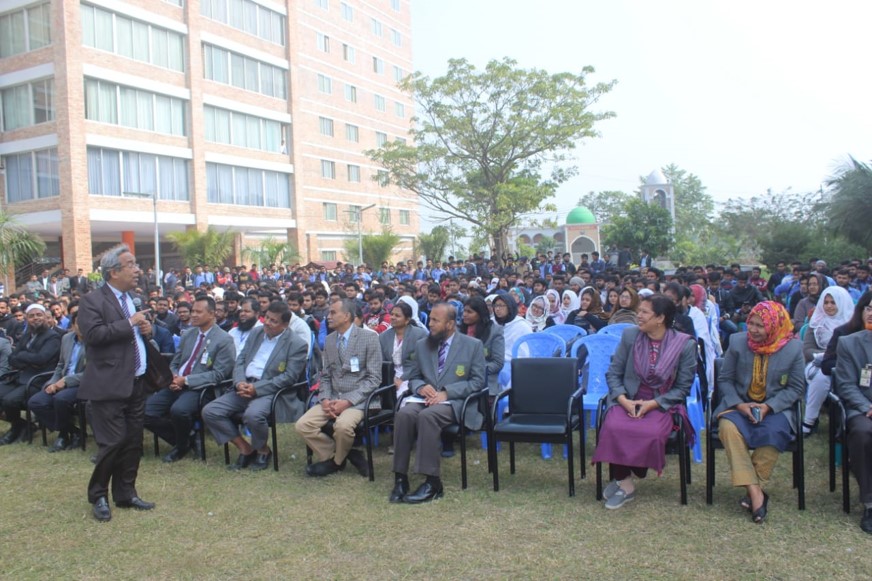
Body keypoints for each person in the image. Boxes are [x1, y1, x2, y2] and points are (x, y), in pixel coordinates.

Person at [77, 246, 167, 522]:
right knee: (112, 441)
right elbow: (93, 335)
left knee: (132, 442)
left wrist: (146, 330)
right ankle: (98, 495)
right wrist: (129, 323)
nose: (137, 270)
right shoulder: (92, 300)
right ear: (113, 272)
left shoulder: (133, 299)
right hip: (108, 384)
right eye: (131, 265)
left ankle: (126, 493)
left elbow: (135, 336)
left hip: (136, 382)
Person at [591, 294, 697, 509]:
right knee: (613, 426)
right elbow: (614, 373)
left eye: (644, 312)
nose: (638, 315)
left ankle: (628, 474)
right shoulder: (630, 336)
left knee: (650, 432)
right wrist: (623, 400)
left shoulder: (684, 345)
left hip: (660, 403)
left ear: (660, 318)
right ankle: (625, 482)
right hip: (628, 398)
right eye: (639, 311)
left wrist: (651, 405)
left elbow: (682, 388)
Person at [713, 301, 805, 524]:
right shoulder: (737, 341)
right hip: (739, 405)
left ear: (774, 326)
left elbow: (796, 388)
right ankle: (756, 493)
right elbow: (725, 379)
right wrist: (739, 405)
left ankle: (753, 491)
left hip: (775, 408)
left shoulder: (793, 348)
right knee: (728, 428)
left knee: (773, 434)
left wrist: (768, 407)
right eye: (751, 323)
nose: (752, 330)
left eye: (760, 326)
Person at [390, 303, 486, 503]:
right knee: (404, 414)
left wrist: (447, 393)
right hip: (425, 398)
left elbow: (478, 382)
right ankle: (400, 477)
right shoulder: (423, 345)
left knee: (428, 416)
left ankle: (433, 483)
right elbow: (413, 376)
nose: (430, 324)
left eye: (435, 320)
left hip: (455, 402)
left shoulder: (472, 345)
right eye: (430, 319)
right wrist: (420, 387)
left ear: (450, 324)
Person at [202, 301, 308, 472]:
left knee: (253, 415)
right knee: (210, 411)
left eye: (274, 321)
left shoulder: (296, 343)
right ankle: (245, 448)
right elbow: (241, 360)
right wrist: (239, 382)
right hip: (244, 385)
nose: (268, 323)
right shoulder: (257, 332)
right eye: (267, 318)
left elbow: (289, 377)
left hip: (270, 391)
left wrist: (257, 388)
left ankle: (263, 450)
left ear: (285, 325)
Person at [295, 298, 382, 477]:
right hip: (333, 398)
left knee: (342, 427)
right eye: (329, 313)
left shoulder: (369, 338)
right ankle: (340, 454)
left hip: (360, 400)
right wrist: (325, 399)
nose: (328, 316)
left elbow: (374, 378)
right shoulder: (329, 340)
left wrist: (348, 401)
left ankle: (335, 463)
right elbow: (326, 376)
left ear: (347, 316)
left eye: (333, 312)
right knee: (303, 425)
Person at [145, 296, 236, 463]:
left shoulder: (224, 339)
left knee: (179, 410)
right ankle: (187, 439)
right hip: (175, 383)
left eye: (198, 312)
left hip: (201, 388)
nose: (193, 315)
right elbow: (176, 361)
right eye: (192, 311)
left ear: (212, 314)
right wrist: (173, 376)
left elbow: (219, 374)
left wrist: (186, 380)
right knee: (145, 412)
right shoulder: (189, 334)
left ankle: (180, 447)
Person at [833, 301, 872, 533]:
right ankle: (870, 504)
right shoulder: (849, 343)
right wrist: (867, 406)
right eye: (869, 308)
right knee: (863, 432)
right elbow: (846, 385)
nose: (871, 313)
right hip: (863, 408)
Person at [0, 304, 62, 445]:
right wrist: (28, 359)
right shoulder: (27, 335)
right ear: (27, 319)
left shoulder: (52, 337)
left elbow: (41, 359)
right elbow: (12, 358)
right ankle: (21, 425)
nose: (36, 318)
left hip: (39, 380)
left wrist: (23, 356)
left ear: (45, 317)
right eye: (31, 316)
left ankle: (18, 428)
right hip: (21, 376)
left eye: (39, 315)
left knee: (10, 400)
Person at [26, 311, 86, 452]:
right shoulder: (67, 338)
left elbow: (93, 372)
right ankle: (72, 431)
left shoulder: (95, 342)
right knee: (36, 402)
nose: (83, 326)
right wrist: (52, 382)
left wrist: (66, 381)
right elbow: (60, 365)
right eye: (79, 323)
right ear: (73, 325)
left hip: (82, 383)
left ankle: (63, 435)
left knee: (60, 399)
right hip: (61, 381)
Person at [801, 286, 854, 436]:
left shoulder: (853, 324)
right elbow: (807, 350)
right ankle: (809, 421)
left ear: (842, 303)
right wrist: (825, 355)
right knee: (823, 376)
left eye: (833, 302)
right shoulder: (816, 322)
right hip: (818, 363)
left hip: (847, 364)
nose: (829, 306)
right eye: (826, 302)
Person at [379, 301, 428, 399]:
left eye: (397, 315)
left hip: (412, 376)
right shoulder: (383, 336)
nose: (392, 317)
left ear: (407, 320)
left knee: (401, 395)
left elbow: (418, 363)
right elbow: (382, 362)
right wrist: (391, 378)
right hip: (389, 376)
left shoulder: (419, 335)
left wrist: (402, 379)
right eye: (392, 314)